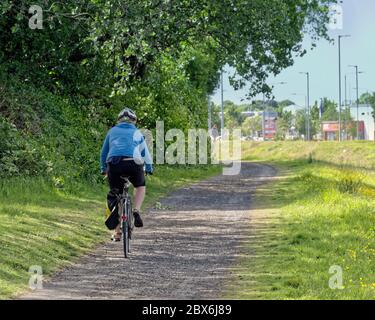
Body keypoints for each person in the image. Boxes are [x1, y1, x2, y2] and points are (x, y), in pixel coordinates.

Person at [100, 107, 153, 241]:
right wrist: (149, 167)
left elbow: (103, 153)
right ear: (133, 121)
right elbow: (145, 153)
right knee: (140, 186)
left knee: (116, 195)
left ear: (119, 120)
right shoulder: (137, 132)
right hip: (133, 163)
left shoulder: (112, 131)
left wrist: (103, 168)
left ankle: (117, 233)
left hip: (115, 164)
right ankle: (136, 210)